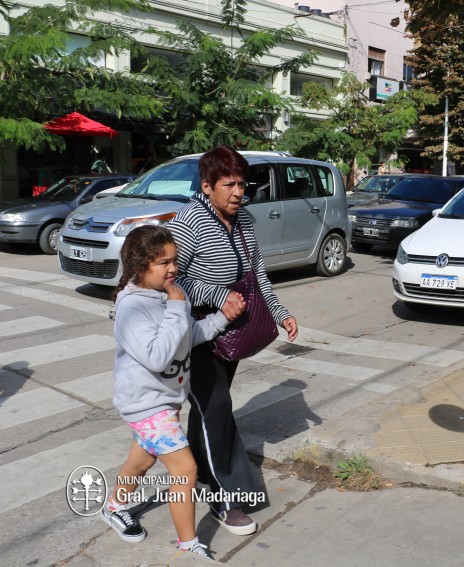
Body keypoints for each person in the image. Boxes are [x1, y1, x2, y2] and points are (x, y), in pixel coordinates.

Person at [168, 145, 299, 535]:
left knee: (208, 415)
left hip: (232, 336)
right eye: (229, 184)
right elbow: (172, 279)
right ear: (207, 185)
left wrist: (281, 312)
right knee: (217, 410)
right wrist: (216, 295)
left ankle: (192, 471)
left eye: (242, 183)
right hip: (195, 335)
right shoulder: (188, 222)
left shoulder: (243, 220)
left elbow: (257, 277)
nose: (238, 192)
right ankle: (228, 497)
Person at [103, 225, 244, 558]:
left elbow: (188, 334)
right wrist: (178, 307)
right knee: (185, 470)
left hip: (164, 402)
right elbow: (157, 355)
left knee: (141, 461)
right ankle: (188, 546)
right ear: (140, 268)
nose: (173, 268)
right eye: (164, 263)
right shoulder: (132, 309)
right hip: (146, 404)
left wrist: (222, 318)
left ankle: (113, 507)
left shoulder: (167, 293)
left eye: (175, 260)